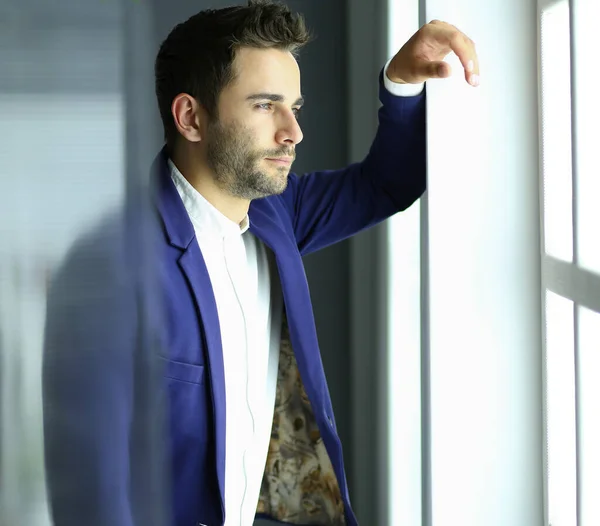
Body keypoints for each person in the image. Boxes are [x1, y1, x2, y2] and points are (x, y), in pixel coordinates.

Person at [42, 2, 480, 526]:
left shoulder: (276, 213)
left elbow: (385, 185)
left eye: (294, 107)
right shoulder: (108, 269)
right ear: (191, 117)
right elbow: (91, 495)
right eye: (265, 105)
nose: (292, 132)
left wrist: (403, 82)